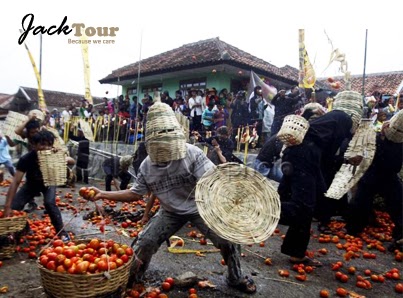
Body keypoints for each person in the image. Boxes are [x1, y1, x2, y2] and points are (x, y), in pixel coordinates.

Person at [83, 102, 256, 294]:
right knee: (145, 242)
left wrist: (228, 206)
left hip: (201, 207)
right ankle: (132, 279)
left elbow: (212, 183)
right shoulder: (147, 166)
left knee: (228, 239)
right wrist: (102, 194)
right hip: (170, 212)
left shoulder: (192, 154)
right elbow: (135, 193)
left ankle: (235, 276)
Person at [278, 90, 363, 266]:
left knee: (309, 199)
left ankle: (275, 217)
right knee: (304, 206)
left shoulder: (332, 117)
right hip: (305, 157)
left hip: (297, 154)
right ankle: (264, 211)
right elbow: (328, 158)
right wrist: (346, 159)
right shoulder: (344, 120)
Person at [345, 111, 403, 251]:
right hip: (380, 174)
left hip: (380, 174)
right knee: (395, 203)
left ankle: (354, 228)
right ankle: (355, 227)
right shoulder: (380, 140)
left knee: (363, 201)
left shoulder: (378, 138)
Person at [3, 130, 70, 241]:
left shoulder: (54, 155)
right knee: (15, 206)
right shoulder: (26, 159)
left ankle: (61, 232)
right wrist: (7, 206)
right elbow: (15, 182)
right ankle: (24, 228)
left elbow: (71, 161)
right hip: (31, 184)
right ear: (34, 145)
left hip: (49, 183)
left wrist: (61, 157)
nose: (46, 148)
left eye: (49, 144)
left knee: (49, 203)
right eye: (42, 144)